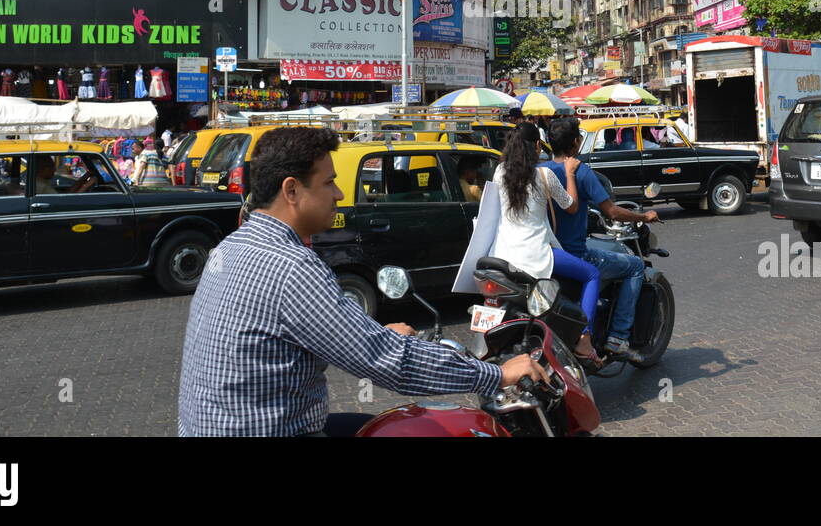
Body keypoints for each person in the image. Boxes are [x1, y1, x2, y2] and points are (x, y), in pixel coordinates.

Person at [178, 126, 547, 436]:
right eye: (329, 183)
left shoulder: (234, 244)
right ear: (291, 191)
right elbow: (383, 362)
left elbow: (333, 335)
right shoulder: (290, 265)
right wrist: (495, 374)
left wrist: (381, 338)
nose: (339, 194)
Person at [546, 117, 659, 364]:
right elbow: (612, 212)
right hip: (575, 255)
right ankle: (618, 337)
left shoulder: (542, 171)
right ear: (576, 142)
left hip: (547, 256)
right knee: (635, 266)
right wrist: (644, 216)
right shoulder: (580, 171)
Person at [491, 122, 602, 362]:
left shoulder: (500, 172)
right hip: (536, 254)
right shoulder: (544, 175)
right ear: (539, 146)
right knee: (592, 274)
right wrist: (570, 174)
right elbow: (571, 206)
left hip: (502, 256)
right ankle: (584, 338)